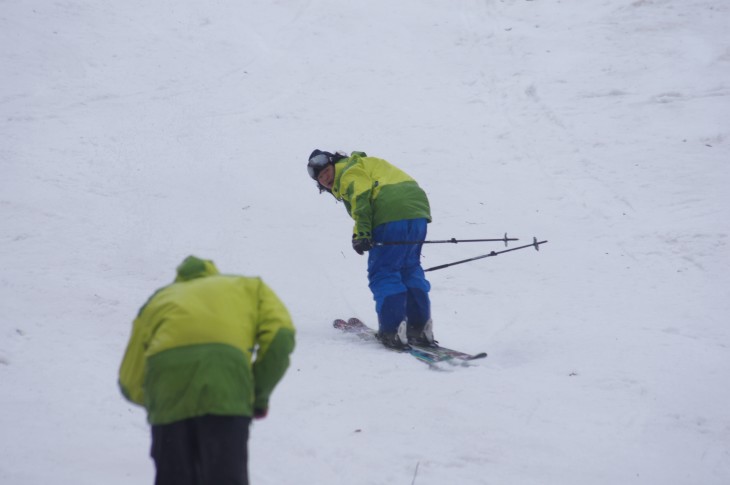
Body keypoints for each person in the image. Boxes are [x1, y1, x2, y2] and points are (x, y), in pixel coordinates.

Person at [118, 255, 296, 485]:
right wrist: (256, 393)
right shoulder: (250, 287)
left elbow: (129, 381)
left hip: (168, 402)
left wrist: (165, 401)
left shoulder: (158, 300)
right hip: (225, 396)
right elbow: (280, 338)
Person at [307, 149, 436, 350]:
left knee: (384, 272)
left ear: (334, 163)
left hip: (389, 212)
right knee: (409, 268)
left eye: (326, 172)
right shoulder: (365, 164)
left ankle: (392, 330)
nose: (326, 178)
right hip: (417, 211)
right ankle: (420, 328)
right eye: (321, 178)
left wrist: (362, 234)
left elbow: (361, 197)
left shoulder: (349, 171)